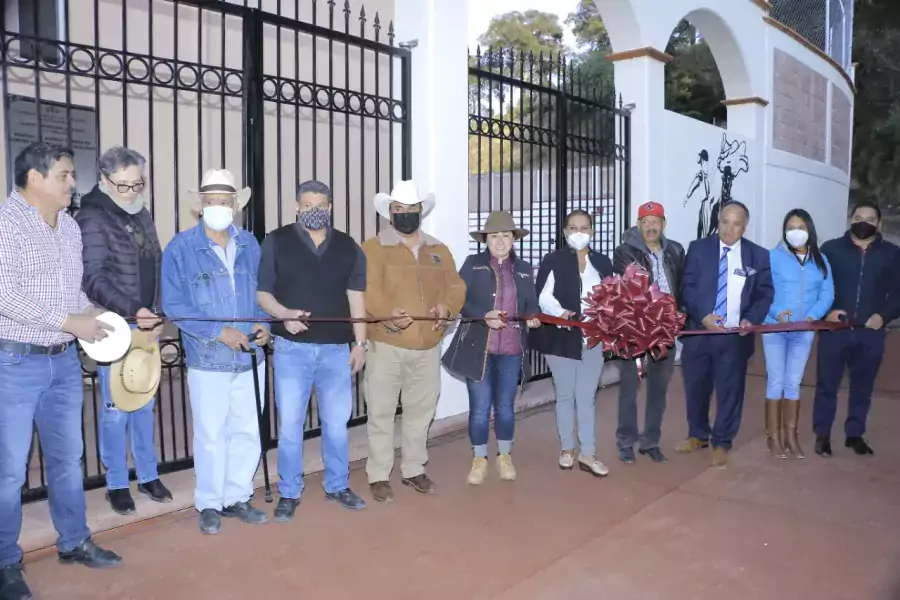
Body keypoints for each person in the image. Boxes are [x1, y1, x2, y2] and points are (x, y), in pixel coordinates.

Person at [0, 142, 122, 600]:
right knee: (9, 471)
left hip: (64, 362)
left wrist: (99, 320)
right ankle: (6, 562)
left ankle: (73, 541)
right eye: (66, 175)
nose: (74, 183)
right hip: (13, 361)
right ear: (35, 177)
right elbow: (5, 294)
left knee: (68, 461)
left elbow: (72, 295)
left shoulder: (69, 227)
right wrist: (72, 321)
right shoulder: (5, 224)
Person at [161, 168, 271, 535]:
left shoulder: (251, 244)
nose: (218, 207)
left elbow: (262, 295)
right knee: (211, 434)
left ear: (235, 205)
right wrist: (218, 332)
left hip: (249, 358)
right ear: (201, 206)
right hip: (208, 358)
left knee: (247, 431)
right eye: (211, 202)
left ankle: (238, 496)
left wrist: (264, 324)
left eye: (225, 202)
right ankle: (209, 502)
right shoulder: (181, 248)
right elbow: (174, 305)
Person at [257, 181, 368, 520]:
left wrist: (360, 343)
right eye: (307, 204)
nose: (314, 209)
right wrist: (283, 315)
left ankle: (337, 484)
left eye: (320, 204)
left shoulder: (349, 247)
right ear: (296, 207)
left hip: (336, 350)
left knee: (336, 424)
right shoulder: (276, 241)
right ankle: (289, 491)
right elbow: (262, 294)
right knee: (290, 426)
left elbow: (356, 298)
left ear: (330, 206)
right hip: (292, 350)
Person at [74, 146, 172, 515]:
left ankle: (148, 474)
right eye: (124, 186)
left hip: (146, 320)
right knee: (116, 407)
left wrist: (156, 311)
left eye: (138, 184)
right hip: (116, 323)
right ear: (104, 180)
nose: (132, 192)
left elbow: (155, 263)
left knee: (145, 401)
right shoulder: (92, 216)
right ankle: (117, 481)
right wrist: (135, 309)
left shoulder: (141, 213)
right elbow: (93, 277)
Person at [361, 180, 466, 503]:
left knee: (420, 412)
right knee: (380, 411)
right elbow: (368, 290)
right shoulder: (373, 248)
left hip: (427, 347)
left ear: (421, 211)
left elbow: (456, 287)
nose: (405, 215)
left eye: (411, 210)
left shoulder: (439, 249)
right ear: (389, 213)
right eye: (398, 210)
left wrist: (447, 308)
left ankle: (414, 469)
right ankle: (379, 474)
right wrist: (386, 313)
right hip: (386, 346)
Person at [442, 211, 541, 485]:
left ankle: (505, 456)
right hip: (479, 349)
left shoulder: (522, 269)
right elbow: (459, 301)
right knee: (480, 408)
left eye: (506, 235)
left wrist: (533, 315)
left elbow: (531, 303)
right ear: (485, 240)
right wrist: (482, 314)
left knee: (506, 407)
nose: (500, 241)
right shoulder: (473, 265)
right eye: (494, 236)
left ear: (513, 239)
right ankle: (479, 458)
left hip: (511, 349)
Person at [677, 201, 774, 468]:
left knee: (730, 391)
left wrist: (751, 319)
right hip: (699, 332)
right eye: (725, 222)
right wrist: (704, 315)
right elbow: (688, 286)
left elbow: (764, 293)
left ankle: (722, 441)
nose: (729, 229)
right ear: (717, 222)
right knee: (696, 388)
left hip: (734, 337)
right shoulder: (698, 249)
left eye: (736, 223)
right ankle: (698, 434)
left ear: (745, 226)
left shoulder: (758, 256)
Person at [813, 200, 900, 457]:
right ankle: (822, 435)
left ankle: (854, 434)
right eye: (858, 217)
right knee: (827, 384)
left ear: (879, 223)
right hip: (835, 330)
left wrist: (883, 316)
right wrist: (825, 312)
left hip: (870, 332)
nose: (863, 223)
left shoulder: (892, 253)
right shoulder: (831, 249)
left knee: (863, 386)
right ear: (850, 219)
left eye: (870, 219)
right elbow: (817, 286)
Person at [532, 209, 613, 477]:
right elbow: (543, 295)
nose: (579, 233)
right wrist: (560, 313)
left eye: (584, 227)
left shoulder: (602, 262)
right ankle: (567, 447)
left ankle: (588, 452)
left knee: (586, 397)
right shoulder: (553, 260)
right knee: (565, 395)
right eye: (573, 228)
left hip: (593, 339)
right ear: (565, 231)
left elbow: (612, 297)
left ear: (592, 230)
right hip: (561, 338)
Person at [612, 201, 685, 465]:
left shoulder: (676, 250)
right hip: (635, 330)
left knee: (658, 390)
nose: (651, 226)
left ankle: (651, 442)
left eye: (655, 221)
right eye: (645, 221)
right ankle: (626, 443)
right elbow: (633, 285)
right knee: (630, 389)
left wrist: (679, 316)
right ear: (638, 224)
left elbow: (682, 286)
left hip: (666, 331)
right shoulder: (624, 252)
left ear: (663, 224)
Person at [762, 209, 833, 459]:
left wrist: (813, 316)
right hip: (774, 328)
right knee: (776, 381)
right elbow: (763, 289)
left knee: (793, 382)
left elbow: (827, 293)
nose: (795, 232)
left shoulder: (820, 260)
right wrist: (778, 311)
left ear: (809, 230)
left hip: (804, 330)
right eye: (790, 227)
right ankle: (774, 437)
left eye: (801, 227)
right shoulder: (773, 257)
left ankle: (791, 436)